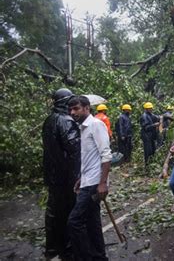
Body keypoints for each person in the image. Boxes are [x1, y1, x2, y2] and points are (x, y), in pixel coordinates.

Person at [67, 96, 112, 261]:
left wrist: (102, 183)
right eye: (70, 109)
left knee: (74, 222)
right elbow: (88, 157)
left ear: (87, 108)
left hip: (94, 184)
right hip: (88, 180)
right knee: (92, 222)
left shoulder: (96, 125)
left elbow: (106, 155)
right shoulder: (83, 128)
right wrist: (81, 177)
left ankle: (86, 257)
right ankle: (99, 256)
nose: (73, 112)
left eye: (76, 108)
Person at [42, 88, 81, 259]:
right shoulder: (66, 121)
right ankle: (67, 247)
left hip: (52, 174)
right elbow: (74, 149)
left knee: (53, 210)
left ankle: (51, 247)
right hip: (66, 176)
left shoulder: (49, 120)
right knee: (68, 211)